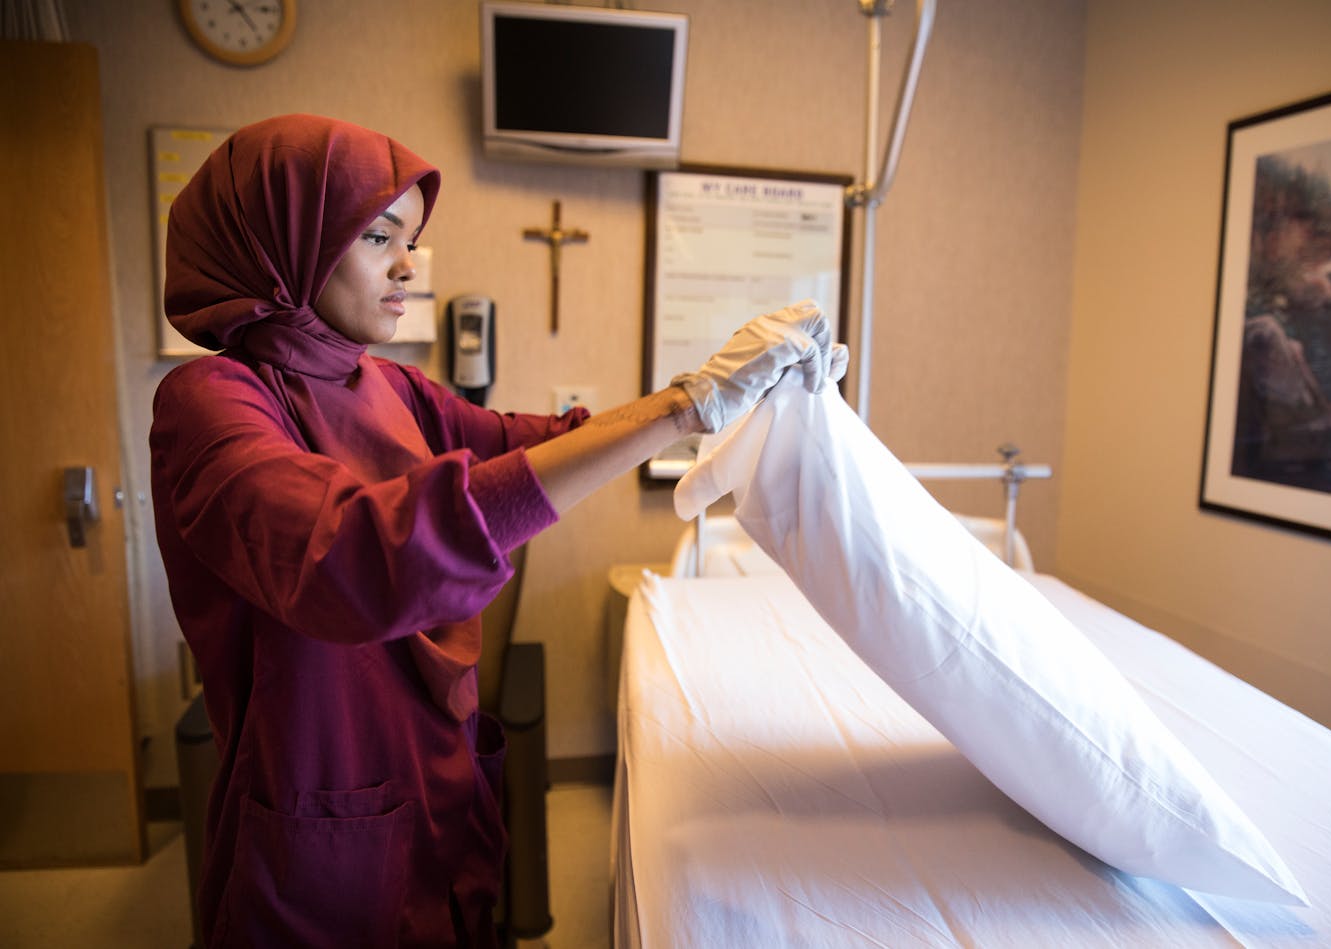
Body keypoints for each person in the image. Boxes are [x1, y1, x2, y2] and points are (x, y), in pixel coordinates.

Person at [149, 113, 843, 948]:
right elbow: (348, 556)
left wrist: (699, 396)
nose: (410, 263)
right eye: (378, 236)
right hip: (322, 807)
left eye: (411, 238)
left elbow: (535, 445)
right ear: (280, 242)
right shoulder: (211, 403)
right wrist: (680, 409)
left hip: (435, 781)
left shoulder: (391, 387)